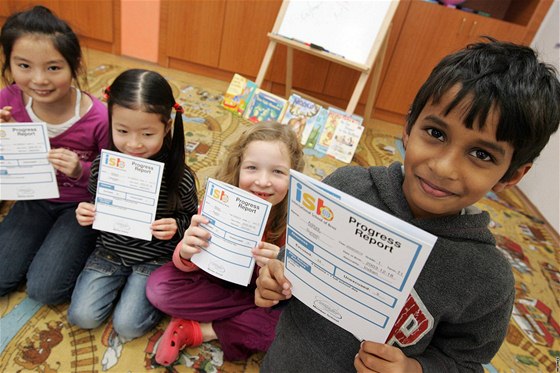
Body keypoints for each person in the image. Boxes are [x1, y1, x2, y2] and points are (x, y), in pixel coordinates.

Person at [254, 39, 560, 372]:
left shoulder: (488, 279)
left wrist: (414, 369)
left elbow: (465, 363)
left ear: (512, 175)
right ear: (408, 126)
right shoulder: (346, 188)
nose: (443, 167)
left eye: (481, 154)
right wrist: (274, 279)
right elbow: (295, 262)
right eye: (436, 133)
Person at [146, 122, 305, 365]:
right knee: (159, 287)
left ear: (294, 176)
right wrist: (186, 252)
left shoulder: (297, 221)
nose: (263, 182)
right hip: (218, 283)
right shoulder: (219, 203)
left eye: (278, 172)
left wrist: (282, 262)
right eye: (252, 168)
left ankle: (201, 330)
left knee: (292, 331)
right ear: (238, 167)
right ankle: (243, 316)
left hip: (263, 294)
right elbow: (185, 260)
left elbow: (297, 285)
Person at [67, 69, 198, 341]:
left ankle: (140, 293)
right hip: (110, 253)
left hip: (154, 258)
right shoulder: (103, 166)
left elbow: (191, 217)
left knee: (127, 325)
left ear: (167, 128)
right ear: (111, 122)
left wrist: (177, 225)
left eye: (148, 134)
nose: (134, 144)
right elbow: (95, 200)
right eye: (122, 131)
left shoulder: (180, 176)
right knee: (82, 316)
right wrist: (87, 211)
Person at [0, 5, 109, 304]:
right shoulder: (7, 102)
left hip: (78, 206)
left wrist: (81, 170)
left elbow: (115, 177)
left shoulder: (99, 117)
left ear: (74, 65)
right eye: (23, 66)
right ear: (8, 63)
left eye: (53, 67)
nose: (39, 80)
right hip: (32, 199)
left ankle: (87, 245)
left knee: (45, 290)